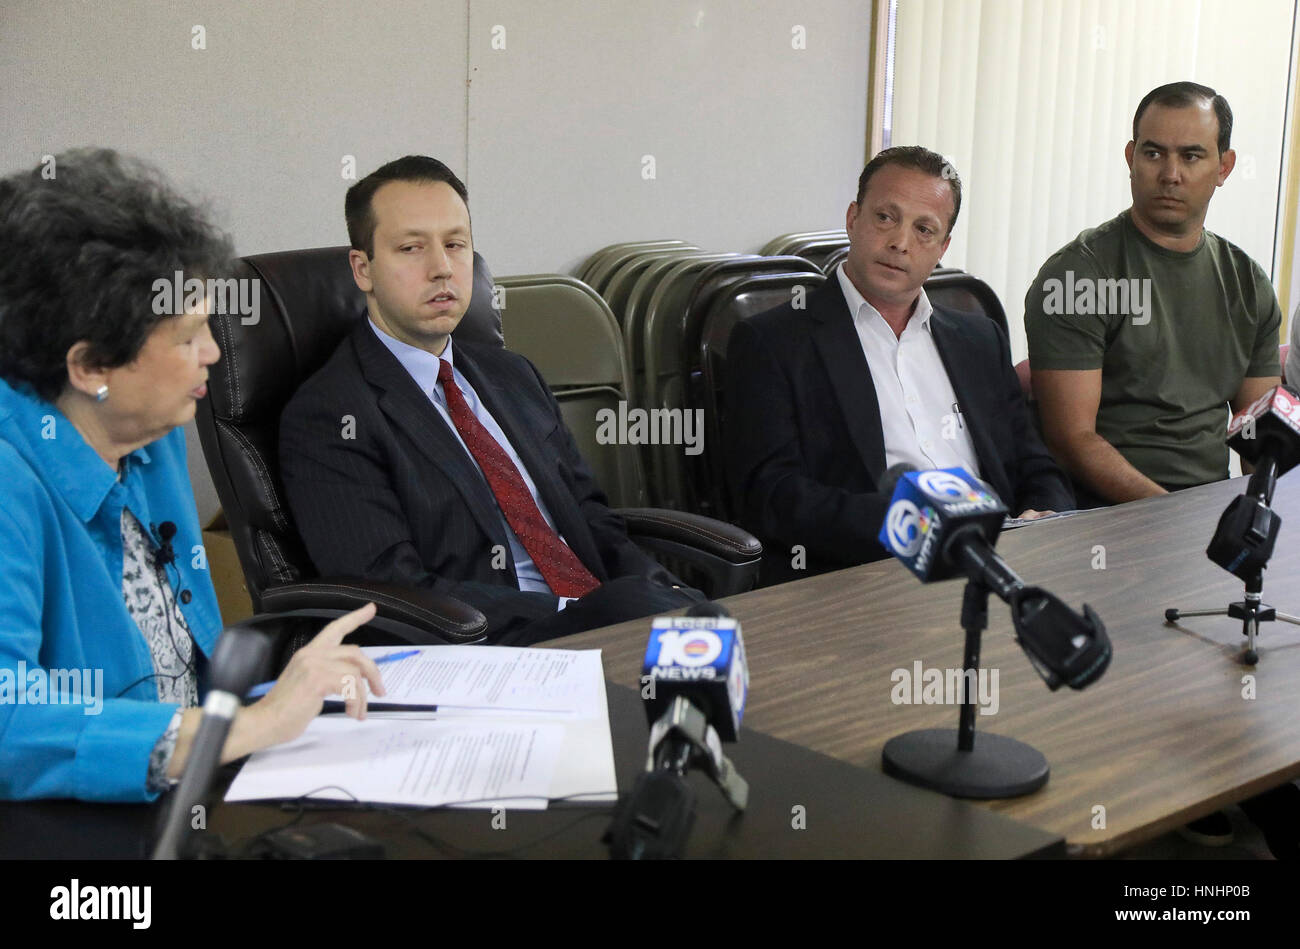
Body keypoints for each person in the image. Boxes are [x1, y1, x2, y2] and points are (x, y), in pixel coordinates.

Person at [0, 149, 385, 803]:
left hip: (198, 791)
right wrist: (250, 723)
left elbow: (185, 670)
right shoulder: (13, 482)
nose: (212, 352)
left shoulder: (150, 433)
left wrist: (285, 691)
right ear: (91, 367)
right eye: (187, 336)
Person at [278, 156, 698, 645]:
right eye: (411, 248)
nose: (442, 268)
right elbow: (388, 586)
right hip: (485, 647)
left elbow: (589, 515)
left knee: (712, 632)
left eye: (455, 245)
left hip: (602, 621)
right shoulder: (331, 414)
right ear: (363, 269)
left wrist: (659, 585)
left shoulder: (512, 374)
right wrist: (577, 610)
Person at [725, 146, 1073, 584]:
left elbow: (1034, 463)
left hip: (999, 562)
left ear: (942, 246)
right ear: (853, 219)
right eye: (886, 218)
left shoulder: (979, 339)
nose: (900, 243)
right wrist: (911, 524)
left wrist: (1045, 516)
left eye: (924, 229)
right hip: (868, 573)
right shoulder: (773, 342)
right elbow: (770, 497)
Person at [1025, 82, 1282, 507]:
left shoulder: (1248, 284)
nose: (1170, 174)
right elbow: (1072, 442)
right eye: (1154, 153)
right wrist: (1174, 519)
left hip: (1209, 511)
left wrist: (1259, 516)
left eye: (1191, 156)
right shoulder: (1077, 277)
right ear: (1131, 158)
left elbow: (1257, 437)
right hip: (1108, 520)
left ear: (1224, 166)